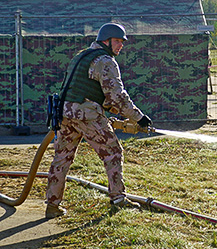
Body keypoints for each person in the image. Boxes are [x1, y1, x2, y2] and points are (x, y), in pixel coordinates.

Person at [45, 23, 153, 219]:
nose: (121, 46)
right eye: (118, 41)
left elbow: (88, 90)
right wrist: (139, 118)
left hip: (65, 113)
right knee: (113, 152)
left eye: (122, 42)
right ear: (106, 41)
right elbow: (117, 96)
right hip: (86, 115)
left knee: (62, 158)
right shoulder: (105, 61)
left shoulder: (82, 55)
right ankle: (118, 199)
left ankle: (52, 206)